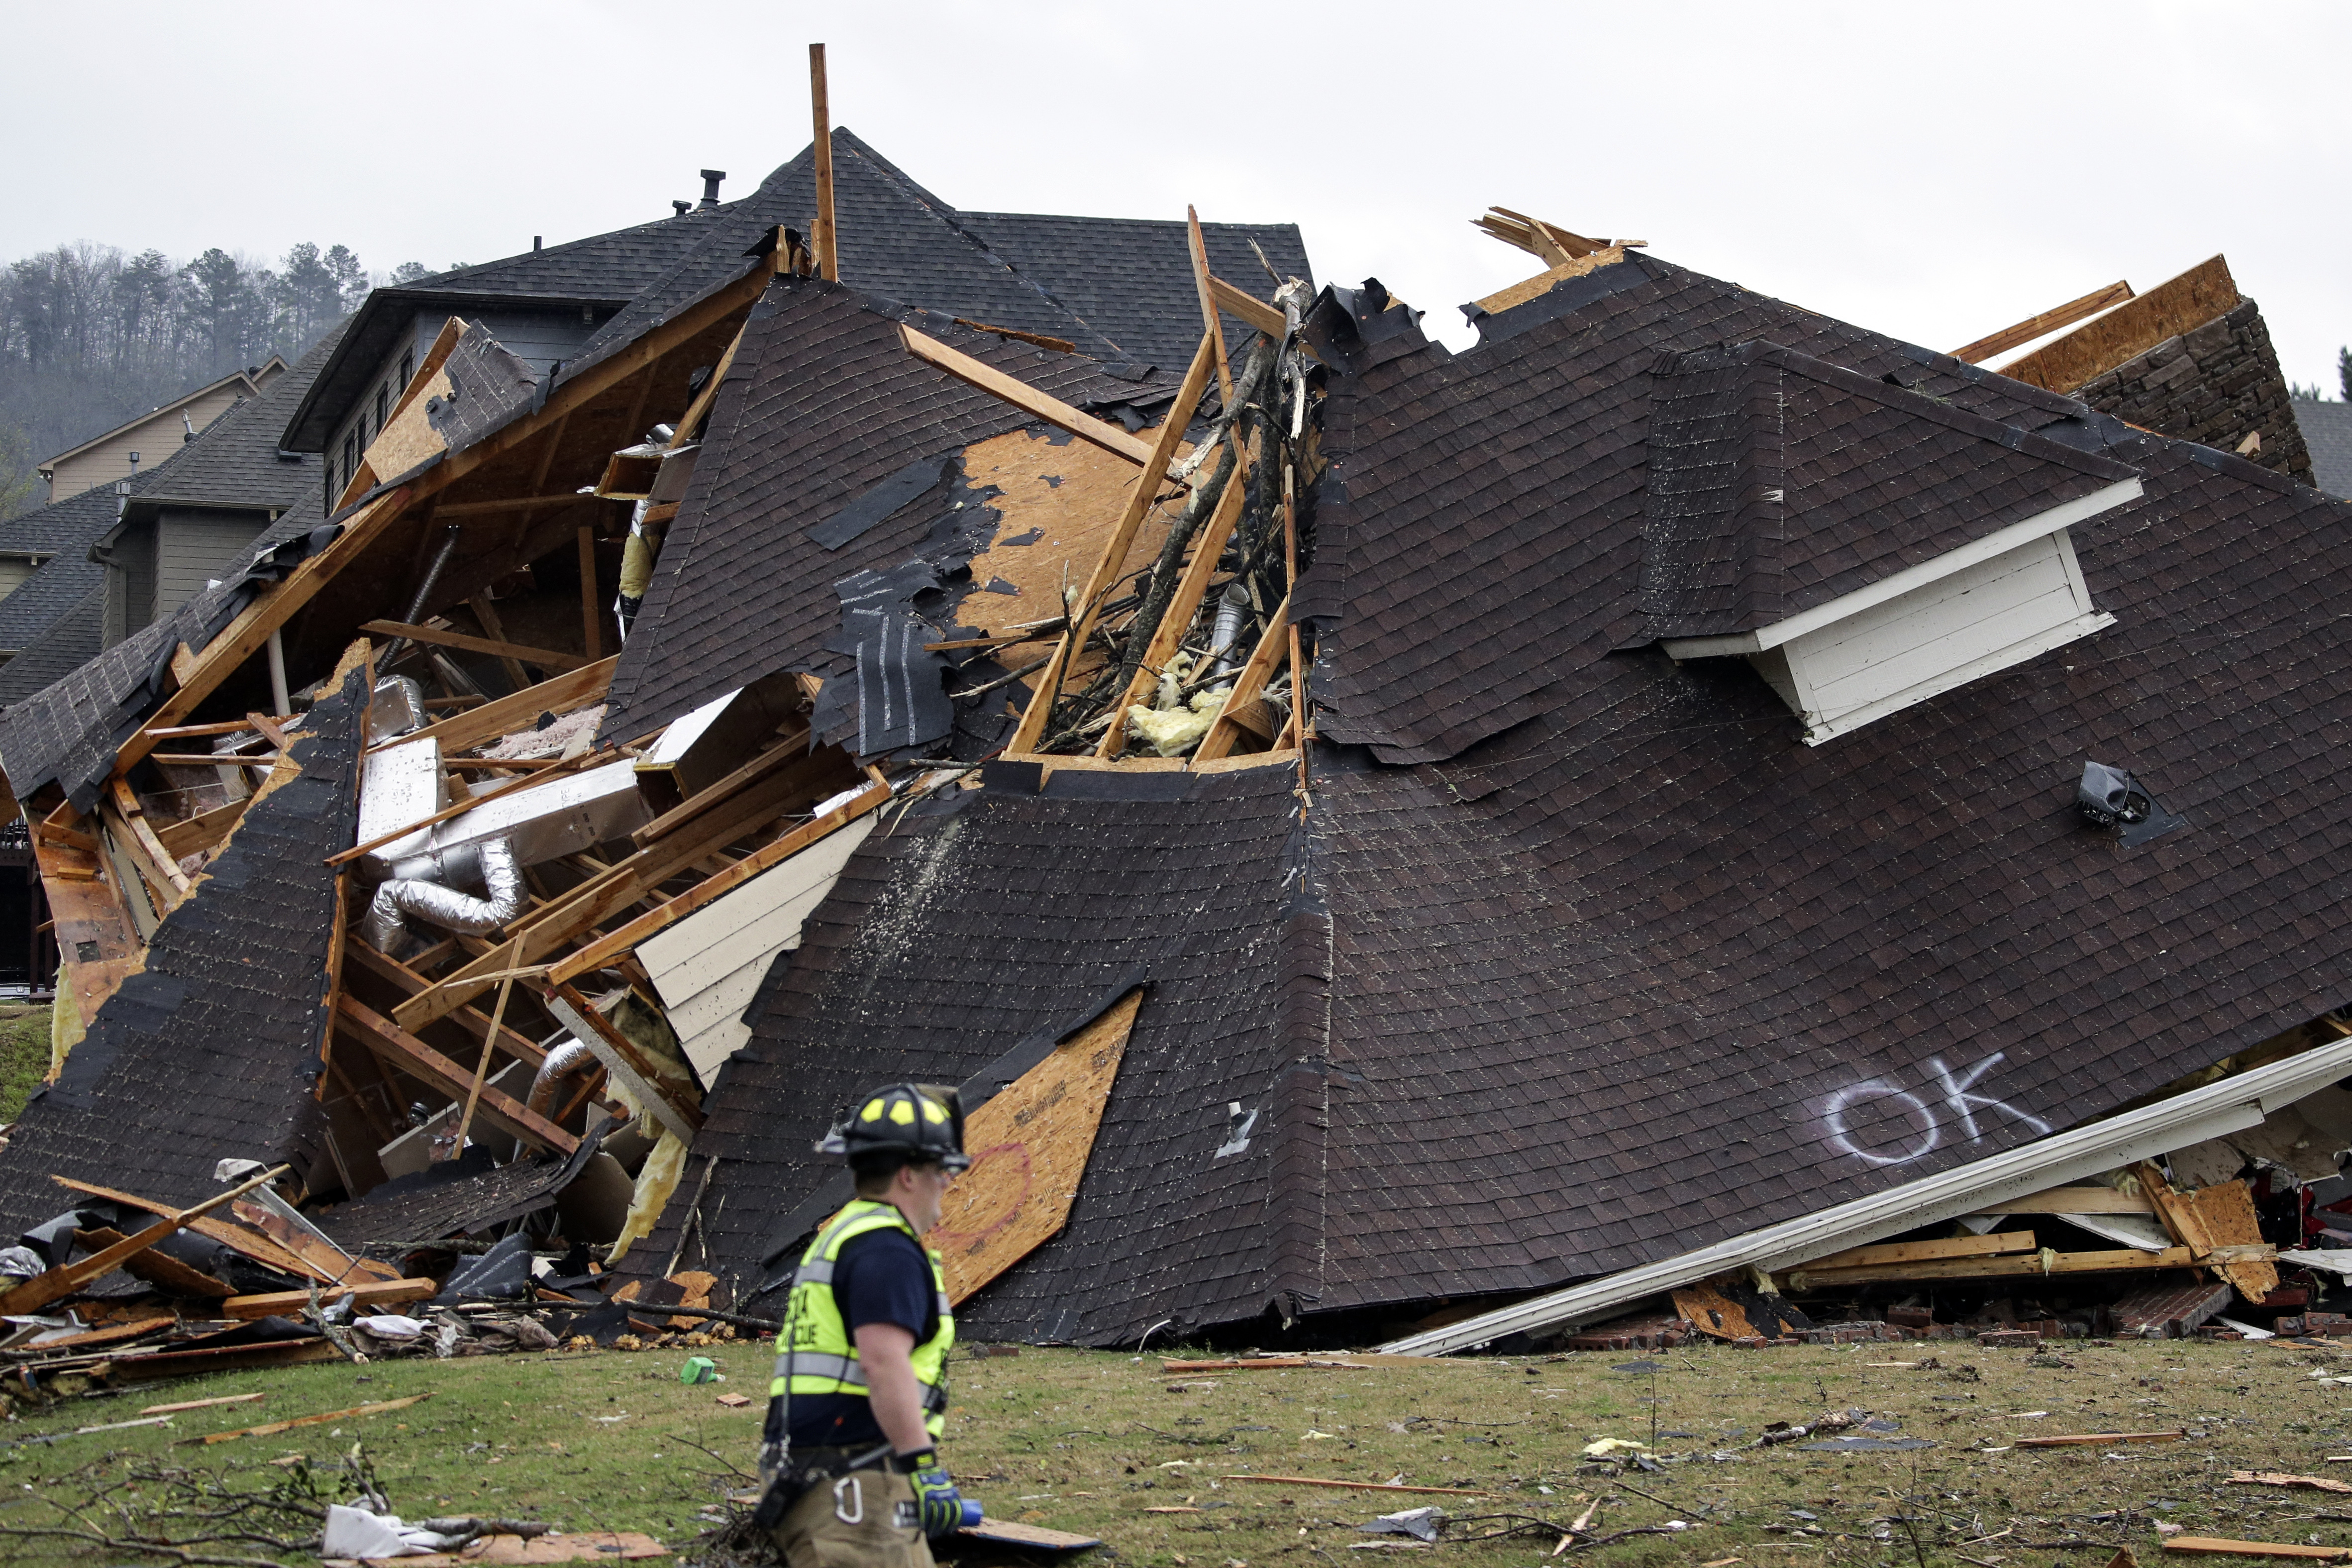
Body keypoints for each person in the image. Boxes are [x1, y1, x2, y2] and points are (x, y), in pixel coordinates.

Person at [756, 1083, 972, 1568]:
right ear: (907, 1175)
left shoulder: (846, 1235)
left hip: (827, 1473)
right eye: (941, 1169)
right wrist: (922, 1465)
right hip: (853, 1482)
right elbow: (883, 1362)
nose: (948, 1182)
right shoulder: (884, 1248)